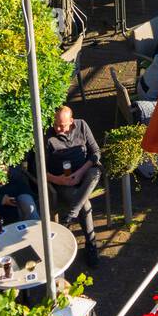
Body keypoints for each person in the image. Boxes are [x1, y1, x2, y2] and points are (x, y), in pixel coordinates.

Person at [44, 106, 102, 267]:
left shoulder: (82, 125)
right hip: (64, 181)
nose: (58, 128)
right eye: (56, 124)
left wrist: (82, 172)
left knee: (95, 173)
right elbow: (37, 169)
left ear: (71, 121)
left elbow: (96, 152)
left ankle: (70, 214)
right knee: (86, 204)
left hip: (84, 175)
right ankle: (91, 246)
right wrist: (58, 180)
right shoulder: (47, 136)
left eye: (62, 125)